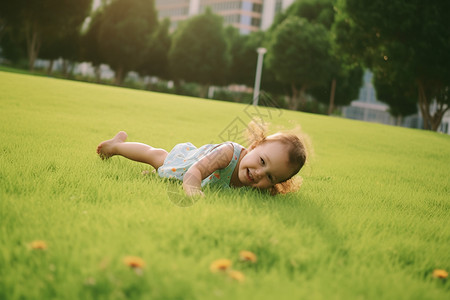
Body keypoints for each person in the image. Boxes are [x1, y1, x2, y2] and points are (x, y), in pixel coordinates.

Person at [96, 124, 307, 196]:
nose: (260, 173)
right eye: (262, 161)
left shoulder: (257, 184)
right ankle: (115, 146)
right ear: (254, 146)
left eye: (270, 176)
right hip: (187, 164)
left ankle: (154, 177)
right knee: (156, 156)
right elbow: (194, 173)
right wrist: (192, 191)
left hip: (196, 173)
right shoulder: (228, 153)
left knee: (160, 174)